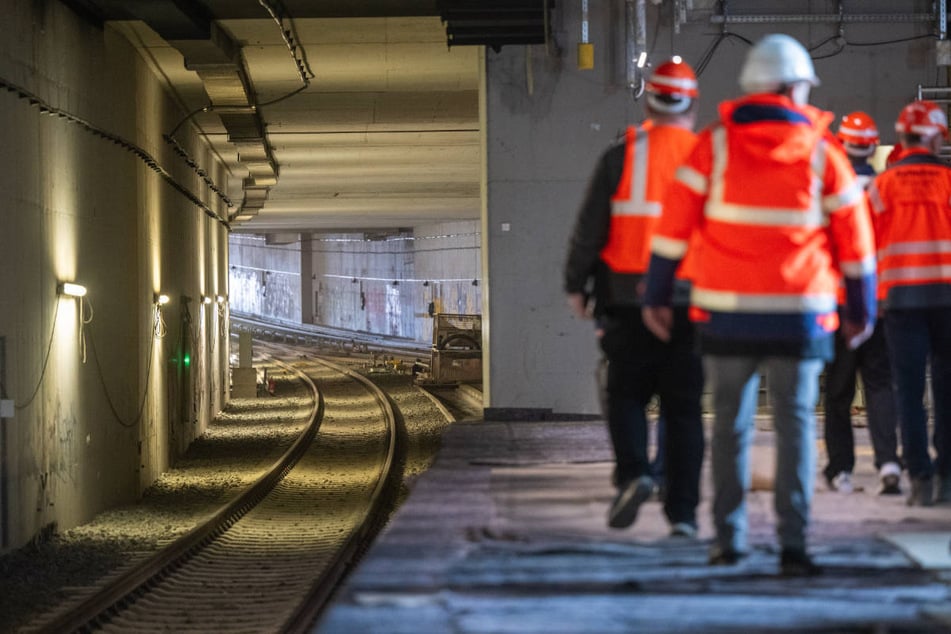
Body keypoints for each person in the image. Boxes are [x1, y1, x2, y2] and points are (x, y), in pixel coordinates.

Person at [642, 34, 877, 577]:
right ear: (795, 87)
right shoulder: (825, 153)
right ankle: (794, 546)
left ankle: (729, 540)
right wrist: (861, 312)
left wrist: (656, 296)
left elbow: (671, 230)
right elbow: (857, 245)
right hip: (801, 317)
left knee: (730, 426)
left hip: (725, 315)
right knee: (796, 426)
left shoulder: (713, 146)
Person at [564, 58, 705, 537]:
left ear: (649, 101)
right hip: (692, 301)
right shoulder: (708, 156)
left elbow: (589, 231)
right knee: (684, 408)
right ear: (691, 101)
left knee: (626, 395)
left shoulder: (620, 156)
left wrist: (575, 285)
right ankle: (683, 515)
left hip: (624, 299)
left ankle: (636, 474)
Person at [867, 99, 951, 506]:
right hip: (948, 300)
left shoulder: (880, 186)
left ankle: (919, 478)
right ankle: (948, 477)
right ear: (936, 137)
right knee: (948, 390)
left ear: (902, 137)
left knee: (909, 393)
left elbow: (864, 249)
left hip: (899, 301)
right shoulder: (950, 181)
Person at [822, 112, 902, 496]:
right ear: (873, 146)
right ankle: (888, 461)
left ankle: (841, 469)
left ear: (841, 143)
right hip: (879, 302)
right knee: (880, 383)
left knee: (837, 390)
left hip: (837, 304)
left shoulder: (830, 189)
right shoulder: (887, 189)